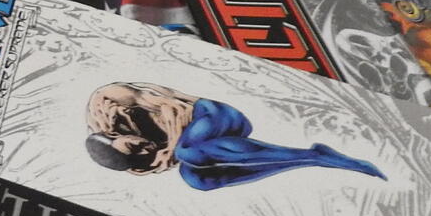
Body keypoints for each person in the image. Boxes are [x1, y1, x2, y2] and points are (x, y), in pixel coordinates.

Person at [84, 81, 387, 190]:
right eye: (138, 154)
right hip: (207, 143)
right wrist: (160, 155)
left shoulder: (110, 98)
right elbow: (154, 163)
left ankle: (313, 155)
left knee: (187, 151)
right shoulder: (130, 159)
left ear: (111, 133)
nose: (144, 148)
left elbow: (171, 107)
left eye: (134, 146)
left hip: (212, 115)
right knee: (196, 180)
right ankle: (311, 159)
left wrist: (172, 146)